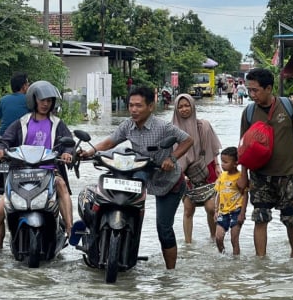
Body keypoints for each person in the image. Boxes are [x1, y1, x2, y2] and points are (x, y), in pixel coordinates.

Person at [80, 86, 194, 269]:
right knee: (120, 199)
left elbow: (188, 140)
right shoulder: (127, 125)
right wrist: (90, 151)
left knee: (163, 228)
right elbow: (110, 141)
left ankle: (170, 273)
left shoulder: (163, 127)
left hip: (169, 182)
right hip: (143, 174)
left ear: (150, 106)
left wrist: (171, 158)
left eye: (138, 106)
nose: (133, 110)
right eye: (131, 105)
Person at [239, 68, 293, 258]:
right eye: (249, 90)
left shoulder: (287, 107)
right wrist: (243, 175)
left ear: (268, 88)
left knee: (290, 218)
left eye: (255, 90)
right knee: (260, 218)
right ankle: (261, 261)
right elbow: (243, 146)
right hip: (259, 175)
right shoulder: (249, 112)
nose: (252, 94)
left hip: (287, 173)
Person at [0, 81, 74, 251]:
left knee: (62, 185)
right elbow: (5, 140)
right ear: (33, 100)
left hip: (49, 172)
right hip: (20, 173)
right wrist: (0, 149)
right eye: (42, 100)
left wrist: (68, 153)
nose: (45, 104)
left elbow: (69, 143)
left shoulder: (58, 124)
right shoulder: (21, 122)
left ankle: (69, 228)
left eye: (49, 101)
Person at [171, 94, 222, 244]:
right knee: (188, 209)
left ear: (193, 106)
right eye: (180, 107)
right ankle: (188, 244)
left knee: (211, 207)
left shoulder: (204, 125)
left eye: (187, 106)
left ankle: (214, 239)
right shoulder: (172, 130)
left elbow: (213, 148)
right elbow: (170, 154)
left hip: (207, 169)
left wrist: (218, 165)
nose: (184, 109)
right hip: (184, 173)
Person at [214, 147, 248, 255]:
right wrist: (216, 210)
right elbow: (218, 194)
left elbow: (246, 195)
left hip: (236, 211)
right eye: (221, 162)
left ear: (235, 163)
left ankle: (236, 261)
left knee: (234, 239)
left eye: (225, 162)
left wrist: (242, 213)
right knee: (218, 238)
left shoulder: (240, 178)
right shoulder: (222, 176)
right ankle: (222, 256)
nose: (222, 165)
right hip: (223, 211)